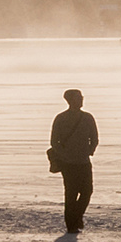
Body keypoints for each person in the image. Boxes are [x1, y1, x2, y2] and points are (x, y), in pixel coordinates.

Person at [49, 89, 98, 233]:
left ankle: (76, 217)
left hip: (84, 161)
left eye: (82, 97)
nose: (82, 100)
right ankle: (71, 225)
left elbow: (94, 138)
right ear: (70, 100)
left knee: (87, 192)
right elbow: (54, 141)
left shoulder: (88, 117)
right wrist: (65, 155)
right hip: (68, 163)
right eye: (79, 98)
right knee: (71, 194)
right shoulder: (61, 118)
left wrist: (89, 150)